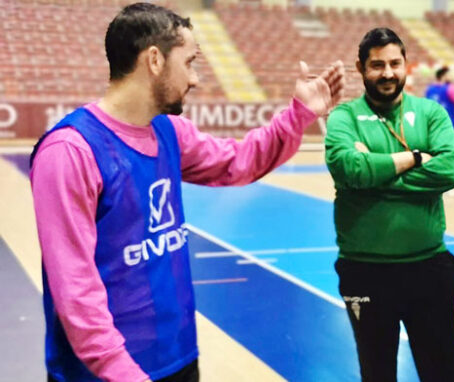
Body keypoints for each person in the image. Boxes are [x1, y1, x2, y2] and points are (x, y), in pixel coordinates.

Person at [29, 3, 345, 381]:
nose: (195, 79)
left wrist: (299, 115)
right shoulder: (70, 152)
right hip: (105, 374)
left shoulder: (168, 132)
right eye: (190, 62)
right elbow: (76, 294)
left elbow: (237, 161)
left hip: (178, 360)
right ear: (155, 61)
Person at [324, 28, 454, 382]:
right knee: (377, 372)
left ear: (406, 65)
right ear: (361, 68)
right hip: (364, 270)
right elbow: (349, 168)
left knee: (443, 371)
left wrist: (376, 174)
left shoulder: (431, 113)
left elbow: (447, 171)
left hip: (428, 267)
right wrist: (416, 158)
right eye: (377, 65)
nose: (387, 73)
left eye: (394, 64)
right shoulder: (344, 117)